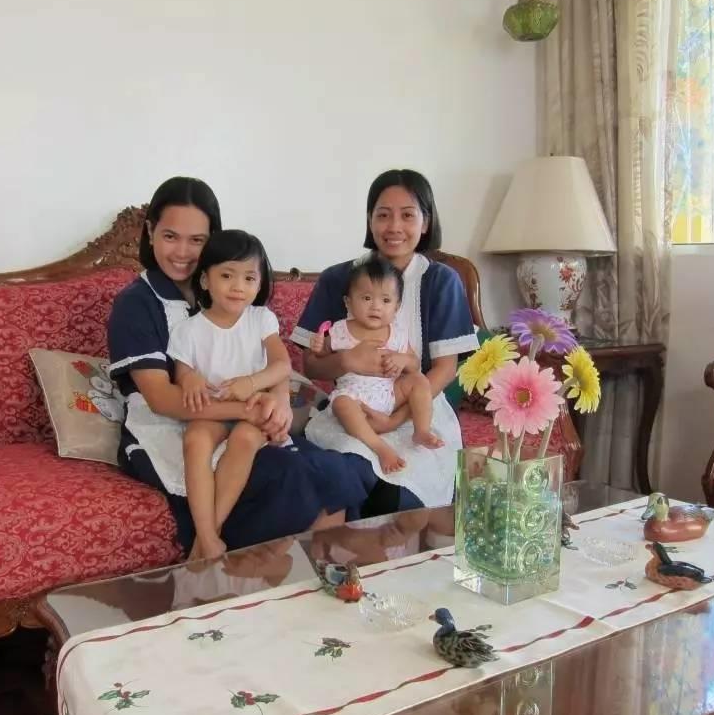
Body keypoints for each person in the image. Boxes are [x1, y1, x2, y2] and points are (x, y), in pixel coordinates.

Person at [107, 176, 375, 555]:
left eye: (197, 240)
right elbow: (163, 399)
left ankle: (313, 580)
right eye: (170, 236)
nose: (182, 251)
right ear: (150, 232)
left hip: (247, 411)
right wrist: (248, 409)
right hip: (171, 425)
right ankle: (221, 561)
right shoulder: (137, 303)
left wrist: (279, 400)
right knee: (287, 475)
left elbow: (271, 358)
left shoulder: (231, 292)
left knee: (336, 469)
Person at [291, 169, 478, 511]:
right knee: (343, 474)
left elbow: (445, 369)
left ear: (425, 222)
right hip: (356, 405)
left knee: (401, 491)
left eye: (407, 215)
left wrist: (395, 419)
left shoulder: (442, 281)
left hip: (417, 408)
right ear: (369, 220)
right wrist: (345, 360)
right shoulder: (339, 279)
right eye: (383, 215)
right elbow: (311, 365)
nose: (394, 227)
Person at [168, 230, 291, 559]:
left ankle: (206, 539)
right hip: (214, 410)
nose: (238, 286)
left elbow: (282, 365)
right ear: (205, 280)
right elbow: (182, 373)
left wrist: (250, 383)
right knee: (195, 439)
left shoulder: (261, 319)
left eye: (249, 278)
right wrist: (190, 378)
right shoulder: (187, 330)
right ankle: (209, 538)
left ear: (259, 283)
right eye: (227, 276)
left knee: (246, 439)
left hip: (252, 407)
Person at [309, 252, 442, 475]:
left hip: (390, 395)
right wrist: (319, 346)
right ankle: (380, 448)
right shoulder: (341, 329)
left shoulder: (397, 334)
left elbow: (415, 365)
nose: (376, 307)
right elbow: (322, 355)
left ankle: (421, 430)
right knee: (341, 403)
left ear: (397, 307)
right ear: (348, 302)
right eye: (367, 298)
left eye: (386, 300)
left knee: (419, 380)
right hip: (355, 399)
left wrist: (402, 360)